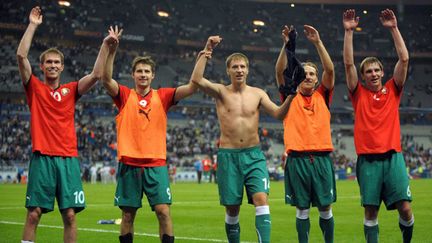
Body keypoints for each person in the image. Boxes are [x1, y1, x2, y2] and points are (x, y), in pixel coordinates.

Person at [16, 6, 117, 243]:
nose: (52, 65)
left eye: (56, 62)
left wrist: (105, 45)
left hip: (68, 159)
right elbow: (21, 56)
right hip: (43, 158)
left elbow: (96, 75)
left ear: (62, 67)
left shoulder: (71, 90)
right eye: (48, 62)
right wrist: (32, 25)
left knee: (70, 216)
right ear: (42, 66)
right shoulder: (34, 87)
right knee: (33, 215)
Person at [191, 36, 295, 243]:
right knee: (232, 208)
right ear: (228, 70)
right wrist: (206, 49)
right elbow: (196, 80)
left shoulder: (258, 93)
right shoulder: (220, 91)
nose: (239, 70)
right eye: (235, 67)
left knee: (262, 200)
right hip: (229, 156)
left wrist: (291, 96)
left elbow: (278, 114)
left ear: (247, 70)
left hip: (254, 155)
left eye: (242, 67)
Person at [101, 28, 197, 243]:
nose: (143, 74)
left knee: (163, 211)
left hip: (156, 164)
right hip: (129, 164)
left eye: (147, 71)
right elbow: (106, 79)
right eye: (139, 71)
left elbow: (191, 87)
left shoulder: (162, 96)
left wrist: (203, 57)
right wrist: (111, 50)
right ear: (133, 74)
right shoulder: (125, 95)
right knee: (127, 215)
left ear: (153, 75)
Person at [343, 9, 414, 243]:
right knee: (371, 212)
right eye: (368, 72)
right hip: (368, 161)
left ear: (383, 72)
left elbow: (404, 59)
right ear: (363, 77)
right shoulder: (358, 93)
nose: (373, 74)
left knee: (405, 208)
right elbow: (348, 63)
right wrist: (348, 32)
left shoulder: (393, 90)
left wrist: (393, 29)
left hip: (393, 157)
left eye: (376, 70)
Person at [275, 25, 336, 243]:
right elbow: (279, 71)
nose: (308, 76)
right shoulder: (289, 96)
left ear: (317, 79)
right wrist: (286, 45)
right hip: (297, 158)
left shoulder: (323, 95)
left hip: (321, 159)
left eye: (312, 74)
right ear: (299, 76)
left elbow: (330, 70)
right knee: (302, 210)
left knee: (325, 207)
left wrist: (318, 43)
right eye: (305, 73)